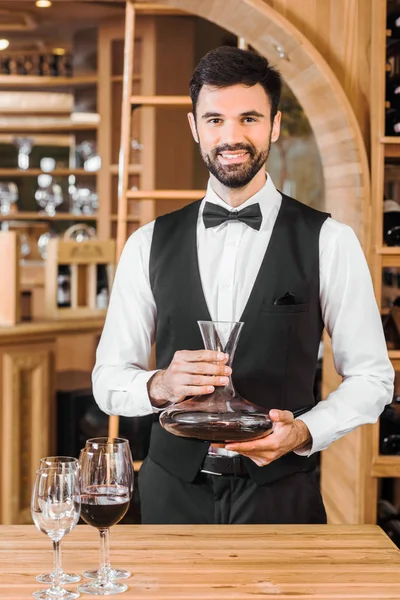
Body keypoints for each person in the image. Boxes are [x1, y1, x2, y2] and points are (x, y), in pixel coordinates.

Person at [93, 46, 394, 525]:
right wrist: (159, 384)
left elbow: (373, 379)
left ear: (274, 125)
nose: (231, 137)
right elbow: (107, 379)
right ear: (194, 128)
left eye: (249, 118)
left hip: (281, 496)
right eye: (214, 120)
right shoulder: (147, 242)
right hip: (170, 492)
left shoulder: (330, 241)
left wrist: (303, 432)